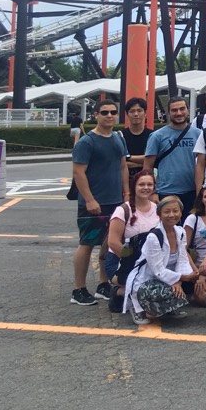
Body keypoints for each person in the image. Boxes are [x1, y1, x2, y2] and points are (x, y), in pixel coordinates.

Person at [70, 98, 129, 306]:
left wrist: (126, 193)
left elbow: (123, 166)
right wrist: (89, 199)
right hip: (93, 203)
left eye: (113, 112)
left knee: (107, 245)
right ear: (95, 115)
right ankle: (78, 289)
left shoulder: (118, 138)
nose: (109, 116)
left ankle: (103, 284)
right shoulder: (87, 142)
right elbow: (78, 172)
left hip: (115, 201)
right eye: (104, 112)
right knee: (86, 244)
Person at [122, 195, 196, 326]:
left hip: (167, 278)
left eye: (175, 211)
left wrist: (178, 281)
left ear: (181, 213)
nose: (172, 215)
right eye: (167, 211)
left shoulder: (181, 232)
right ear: (159, 214)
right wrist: (180, 278)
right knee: (165, 291)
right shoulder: (154, 237)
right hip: (147, 281)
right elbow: (158, 271)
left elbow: (182, 260)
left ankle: (167, 309)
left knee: (179, 288)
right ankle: (136, 308)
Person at [143, 97, 197, 218]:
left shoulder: (198, 134)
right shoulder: (157, 136)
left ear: (188, 110)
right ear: (168, 113)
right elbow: (147, 167)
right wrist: (152, 192)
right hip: (165, 192)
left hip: (192, 191)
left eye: (182, 109)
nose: (179, 113)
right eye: (174, 110)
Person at [105, 171, 160, 291]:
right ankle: (118, 292)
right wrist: (134, 263)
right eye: (141, 184)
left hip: (150, 262)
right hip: (121, 261)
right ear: (134, 187)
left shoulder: (157, 209)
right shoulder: (122, 210)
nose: (146, 187)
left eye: (149, 184)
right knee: (142, 289)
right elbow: (112, 242)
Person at [121, 97, 152, 188]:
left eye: (139, 110)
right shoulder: (120, 136)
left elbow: (154, 159)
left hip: (146, 183)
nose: (136, 114)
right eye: (132, 111)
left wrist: (128, 157)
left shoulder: (153, 136)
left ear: (145, 113)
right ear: (127, 114)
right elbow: (118, 163)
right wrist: (145, 162)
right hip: (124, 182)